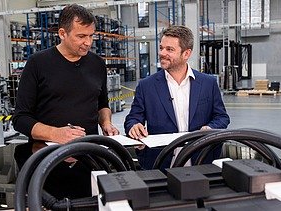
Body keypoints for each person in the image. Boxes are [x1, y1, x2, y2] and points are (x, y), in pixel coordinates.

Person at [13, 4, 119, 199]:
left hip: (88, 157)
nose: (88, 42)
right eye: (81, 36)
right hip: (46, 160)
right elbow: (20, 118)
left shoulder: (97, 64)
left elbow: (102, 103)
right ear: (62, 33)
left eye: (91, 35)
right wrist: (56, 134)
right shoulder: (38, 64)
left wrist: (106, 122)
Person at [124, 25, 230, 170]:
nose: (162, 53)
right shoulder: (146, 85)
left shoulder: (208, 83)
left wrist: (210, 128)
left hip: (201, 161)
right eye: (161, 48)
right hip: (159, 164)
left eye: (170, 49)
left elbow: (222, 117)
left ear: (186, 54)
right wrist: (134, 126)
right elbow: (133, 118)